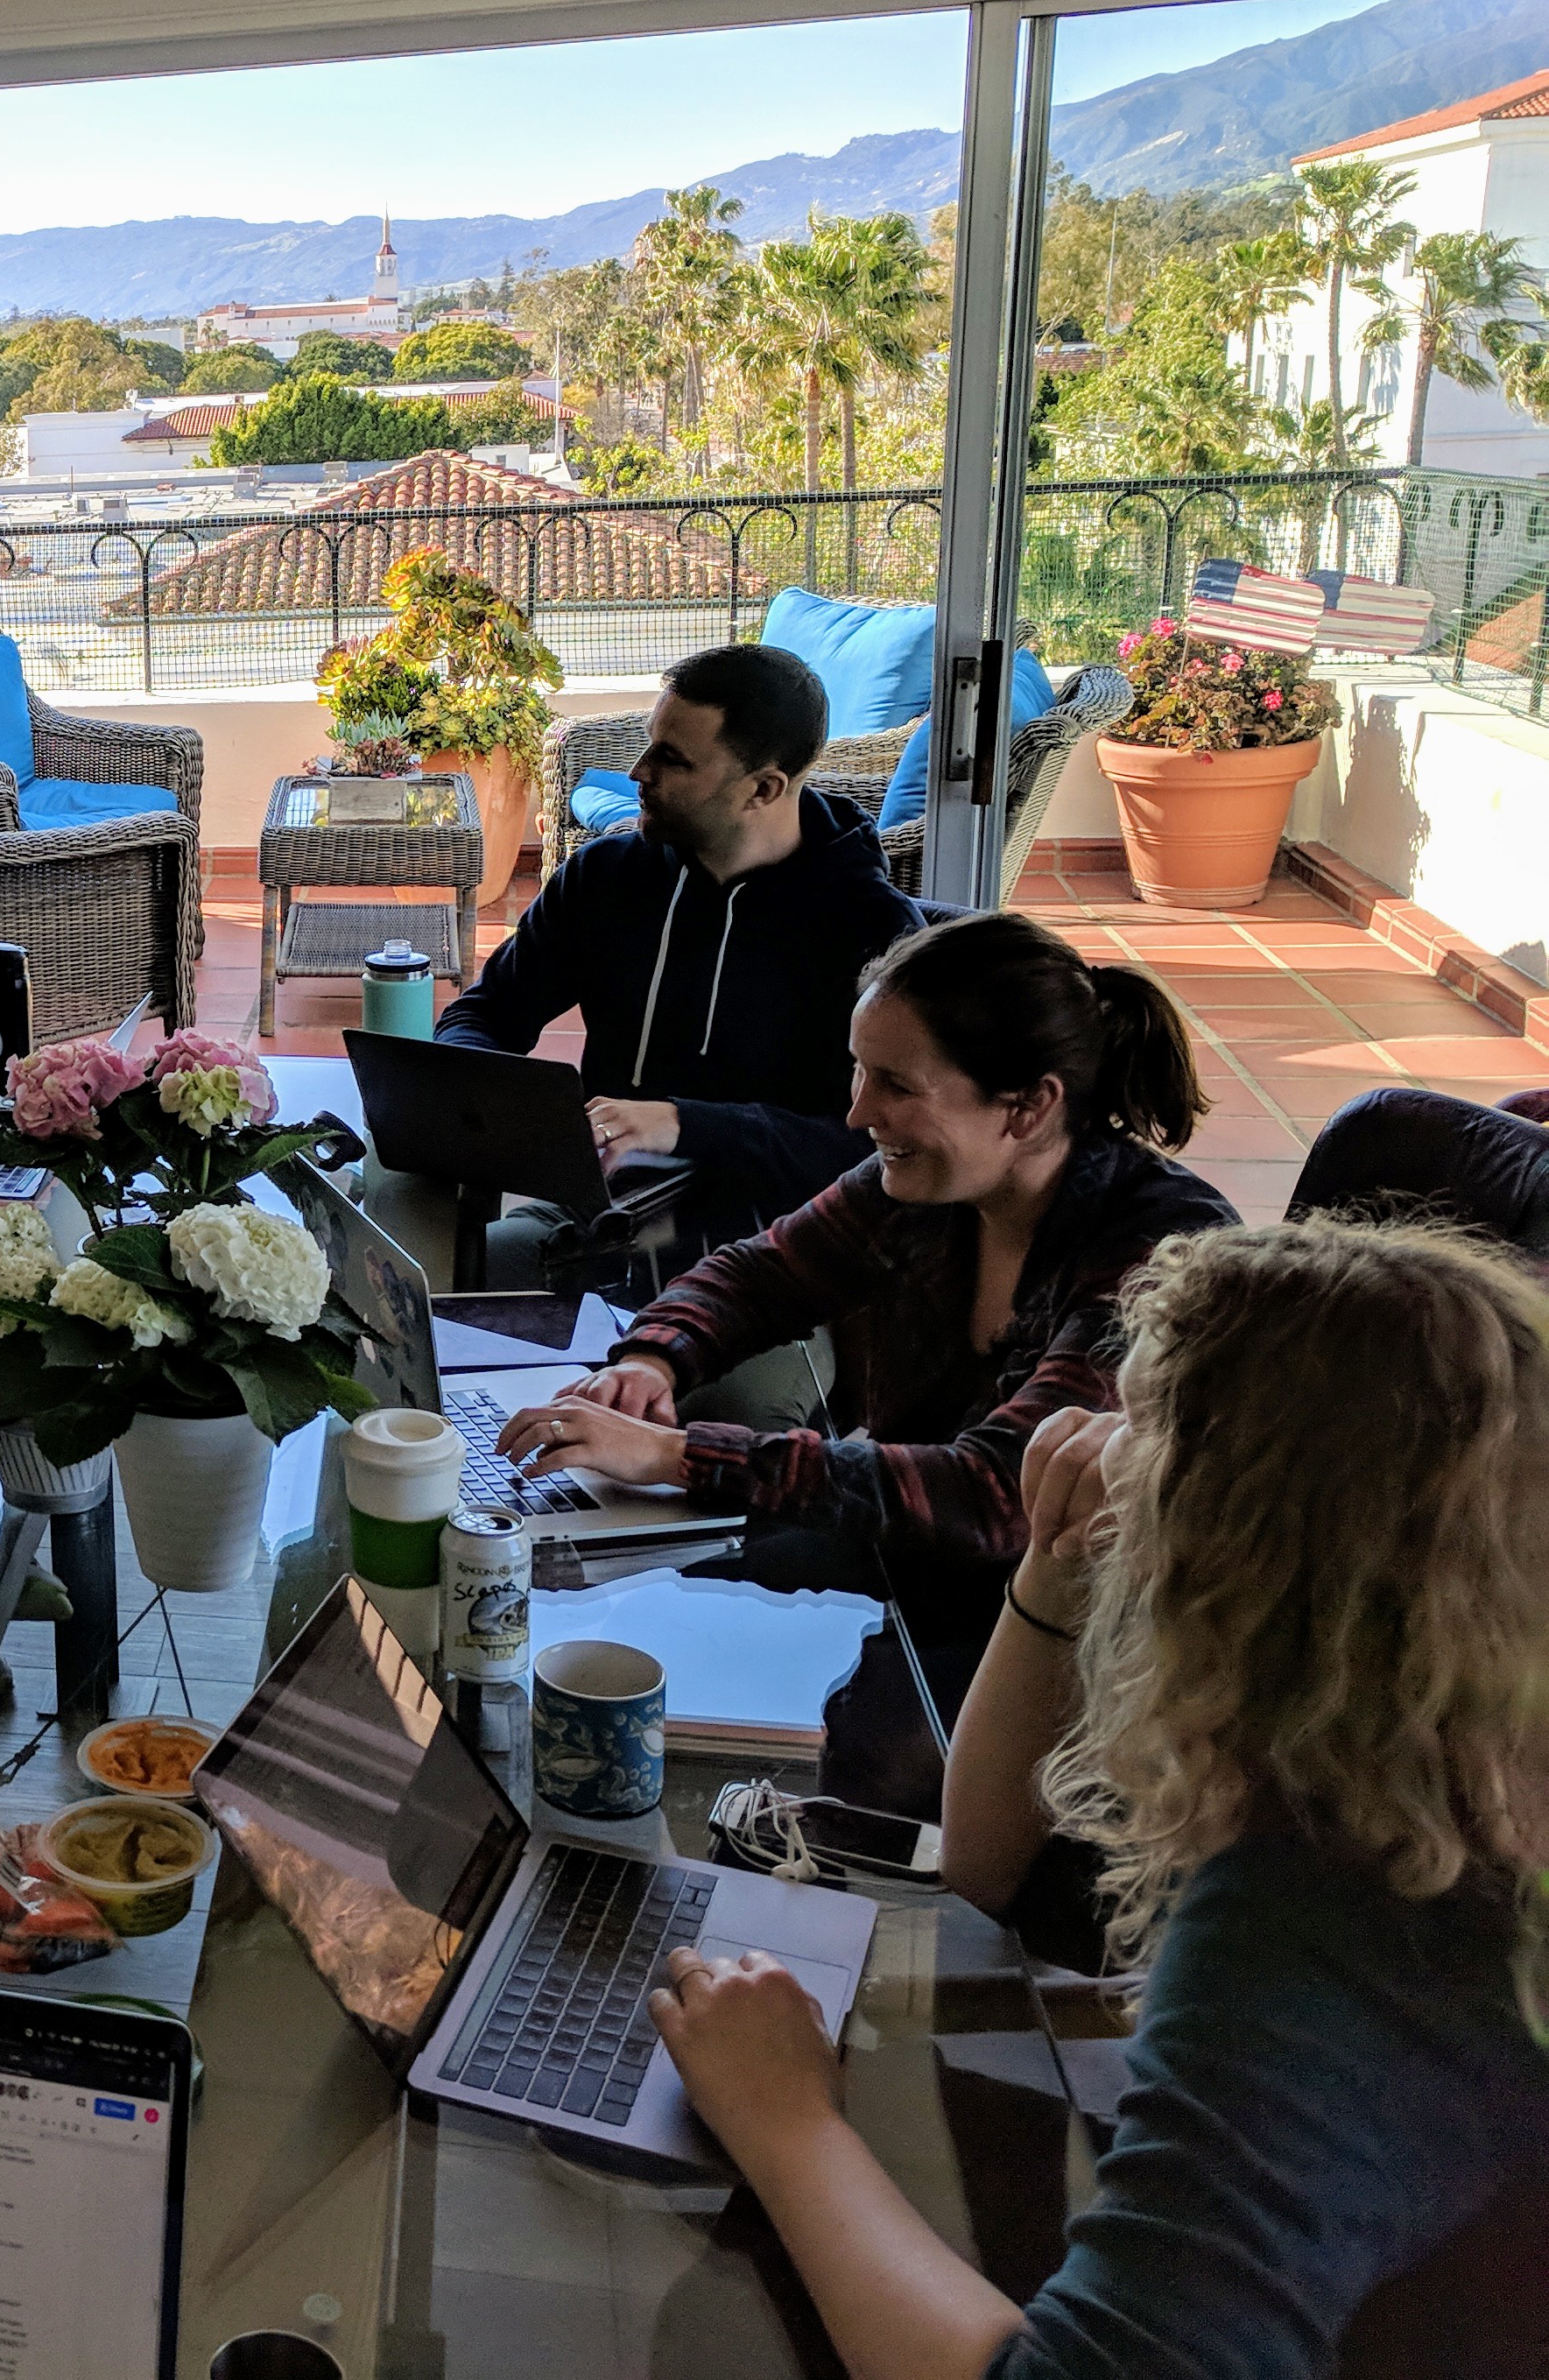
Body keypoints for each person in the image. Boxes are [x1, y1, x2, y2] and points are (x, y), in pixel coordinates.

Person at [651, 1217, 1549, 2378]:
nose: (1107, 1452)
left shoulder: (1324, 1914)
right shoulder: (1438, 1774)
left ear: (1245, 1550)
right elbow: (980, 1867)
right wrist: (1058, 1563)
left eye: (1153, 1436)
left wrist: (788, 2125)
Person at [496, 912, 1235, 1647]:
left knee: (651, 1614)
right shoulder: (926, 1188)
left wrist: (673, 1454)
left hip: (1088, 1637)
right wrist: (650, 1359)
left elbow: (999, 1494)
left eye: (895, 1084)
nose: (856, 1111)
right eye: (858, 1069)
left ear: (1029, 1106)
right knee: (602, 1596)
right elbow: (758, 1274)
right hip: (913, 1573)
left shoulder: (1162, 1257)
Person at [440, 642, 921, 1278]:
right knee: (421, 1291)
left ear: (763, 788)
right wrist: (479, 1095)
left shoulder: (874, 930)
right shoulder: (606, 878)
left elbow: (879, 1143)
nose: (637, 771)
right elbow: (487, 1013)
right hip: (598, 1219)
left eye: (671, 759)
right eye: (648, 743)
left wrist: (684, 1125)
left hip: (775, 1253)